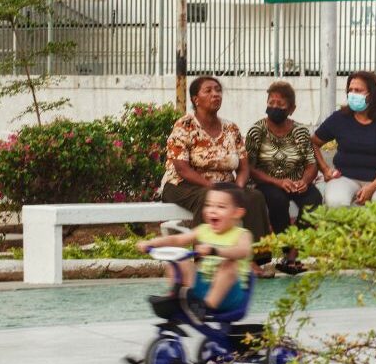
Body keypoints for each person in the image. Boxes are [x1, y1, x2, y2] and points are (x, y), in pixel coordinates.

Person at [160, 76, 271, 246]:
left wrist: (238, 189)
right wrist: (212, 187)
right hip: (181, 184)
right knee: (209, 198)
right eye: (209, 90)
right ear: (195, 99)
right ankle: (205, 259)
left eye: (218, 90)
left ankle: (257, 259)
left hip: (225, 186)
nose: (216, 94)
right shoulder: (185, 125)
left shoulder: (231, 128)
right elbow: (182, 168)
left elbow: (243, 167)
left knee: (254, 197)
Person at [136, 182, 253, 321]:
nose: (212, 210)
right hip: (203, 288)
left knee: (229, 266)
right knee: (179, 262)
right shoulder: (204, 229)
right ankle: (181, 298)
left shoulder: (242, 234)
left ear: (237, 213)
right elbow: (177, 240)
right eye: (208, 205)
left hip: (230, 295)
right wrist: (151, 243)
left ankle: (207, 306)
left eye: (220, 207)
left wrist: (214, 250)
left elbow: (242, 251)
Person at [245, 81, 323, 276]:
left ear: (292, 109)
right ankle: (288, 251)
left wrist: (304, 181)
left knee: (313, 200)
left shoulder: (301, 131)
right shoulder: (257, 131)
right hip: (267, 182)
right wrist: (277, 182)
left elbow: (312, 164)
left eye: (281, 105)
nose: (275, 107)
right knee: (277, 200)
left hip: (297, 181)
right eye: (271, 102)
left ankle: (292, 255)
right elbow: (249, 168)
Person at [312, 71, 376, 210]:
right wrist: (325, 169)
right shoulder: (340, 118)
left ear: (371, 95)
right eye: (350, 90)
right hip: (345, 178)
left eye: (358, 90)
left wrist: (372, 187)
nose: (352, 94)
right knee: (335, 202)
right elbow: (312, 142)